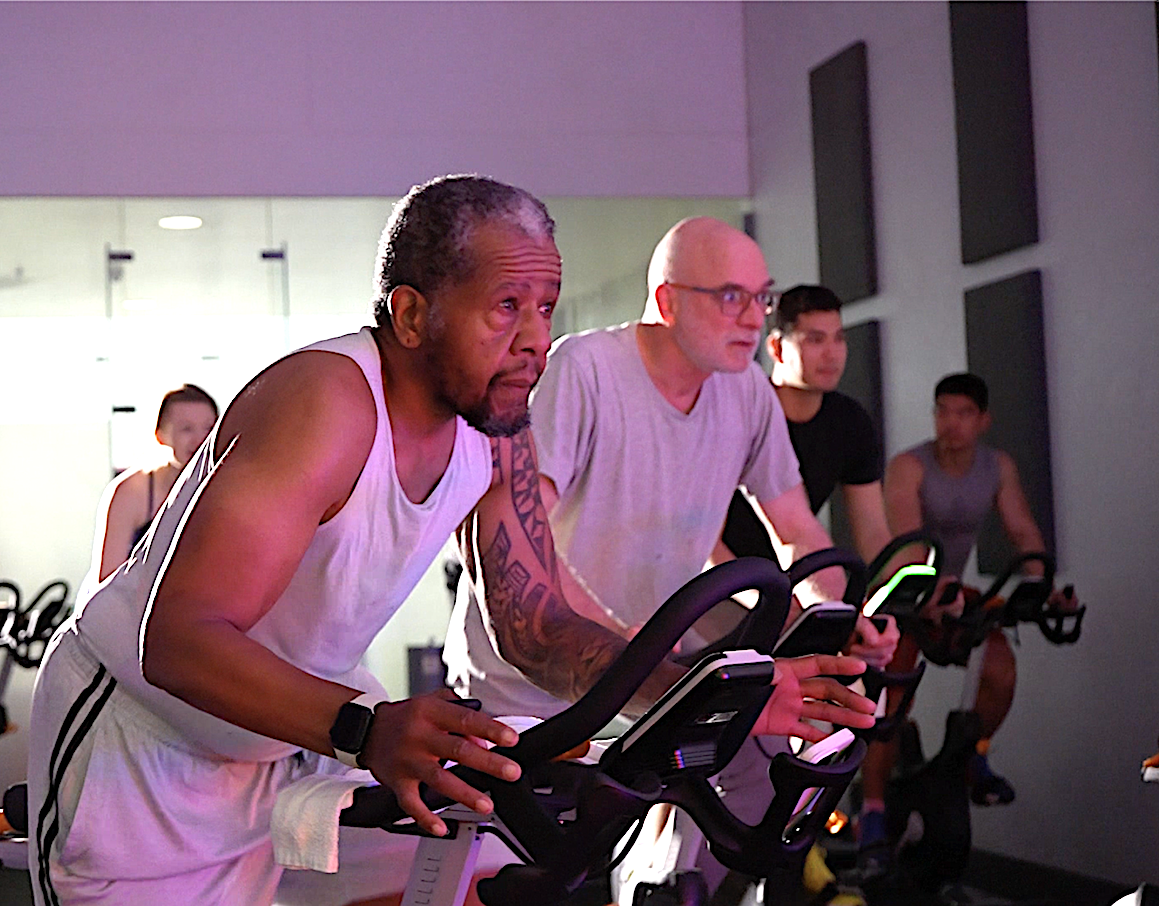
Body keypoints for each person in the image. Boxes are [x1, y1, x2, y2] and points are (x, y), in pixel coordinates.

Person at [27, 178, 874, 906]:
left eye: (545, 307)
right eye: (506, 307)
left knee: (488, 866)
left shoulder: (495, 431)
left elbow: (536, 622)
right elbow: (175, 640)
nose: (536, 338)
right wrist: (363, 728)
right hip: (141, 750)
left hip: (277, 742)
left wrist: (696, 693)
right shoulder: (326, 404)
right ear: (411, 313)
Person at [446, 217, 897, 896]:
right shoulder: (586, 370)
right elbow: (522, 528)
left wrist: (835, 612)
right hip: (535, 686)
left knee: (761, 776)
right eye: (730, 297)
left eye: (760, 298)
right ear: (667, 302)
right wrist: (617, 650)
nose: (752, 318)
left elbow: (797, 529)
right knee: (540, 878)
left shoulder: (744, 389)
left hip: (657, 675)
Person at [854, 373, 1079, 869]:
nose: (949, 424)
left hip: (952, 591)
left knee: (1000, 670)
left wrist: (1039, 584)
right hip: (901, 590)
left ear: (983, 420)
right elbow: (911, 547)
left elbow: (1022, 530)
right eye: (942, 412)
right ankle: (870, 812)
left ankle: (974, 753)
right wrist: (932, 590)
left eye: (961, 413)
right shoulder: (908, 466)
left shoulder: (996, 467)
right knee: (890, 705)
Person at [721, 284, 891, 563]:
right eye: (815, 340)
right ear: (776, 348)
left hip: (789, 580)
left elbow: (873, 533)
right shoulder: (736, 413)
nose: (832, 353)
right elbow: (700, 543)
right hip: (713, 584)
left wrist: (915, 584)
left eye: (839, 339)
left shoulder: (850, 423)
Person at [92, 383, 219, 580]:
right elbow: (106, 580)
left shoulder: (228, 489)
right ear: (160, 435)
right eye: (186, 429)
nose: (200, 440)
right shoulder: (131, 492)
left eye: (209, 429)